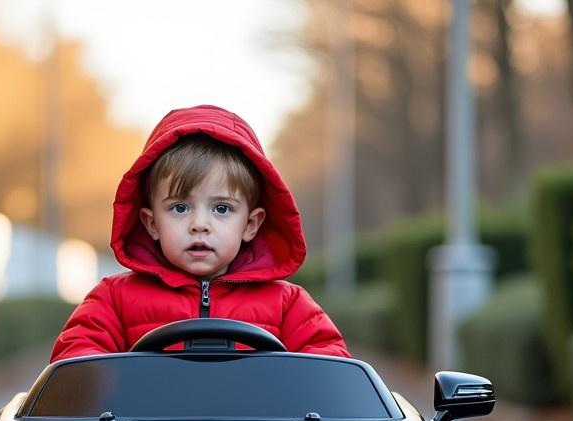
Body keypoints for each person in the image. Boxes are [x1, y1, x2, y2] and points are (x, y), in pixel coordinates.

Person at [50, 104, 349, 361]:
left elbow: (331, 374)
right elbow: (75, 367)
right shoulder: (113, 300)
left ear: (250, 225)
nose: (199, 224)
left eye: (221, 209)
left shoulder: (287, 304)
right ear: (151, 223)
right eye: (180, 208)